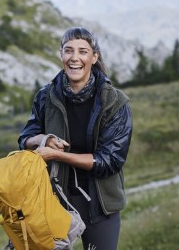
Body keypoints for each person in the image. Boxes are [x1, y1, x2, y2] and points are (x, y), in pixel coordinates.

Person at [18, 27, 133, 250]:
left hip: (100, 205)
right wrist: (44, 139)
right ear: (61, 55)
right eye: (68, 50)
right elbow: (25, 138)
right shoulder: (46, 96)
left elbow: (110, 161)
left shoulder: (115, 102)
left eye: (82, 51)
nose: (75, 58)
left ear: (94, 57)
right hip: (53, 200)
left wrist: (58, 155)